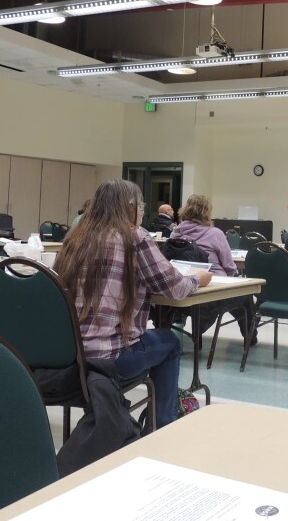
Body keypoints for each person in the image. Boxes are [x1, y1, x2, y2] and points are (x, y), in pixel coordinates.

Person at [54, 179, 212, 430]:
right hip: (110, 359)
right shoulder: (133, 237)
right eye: (141, 206)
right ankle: (162, 425)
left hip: (68, 356)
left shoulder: (75, 237)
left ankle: (108, 410)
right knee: (170, 342)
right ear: (130, 207)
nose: (142, 211)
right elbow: (174, 288)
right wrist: (197, 279)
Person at [170, 194, 257, 343]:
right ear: (207, 211)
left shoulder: (175, 233)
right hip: (212, 291)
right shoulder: (215, 233)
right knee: (245, 296)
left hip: (184, 290)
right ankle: (250, 337)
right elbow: (229, 266)